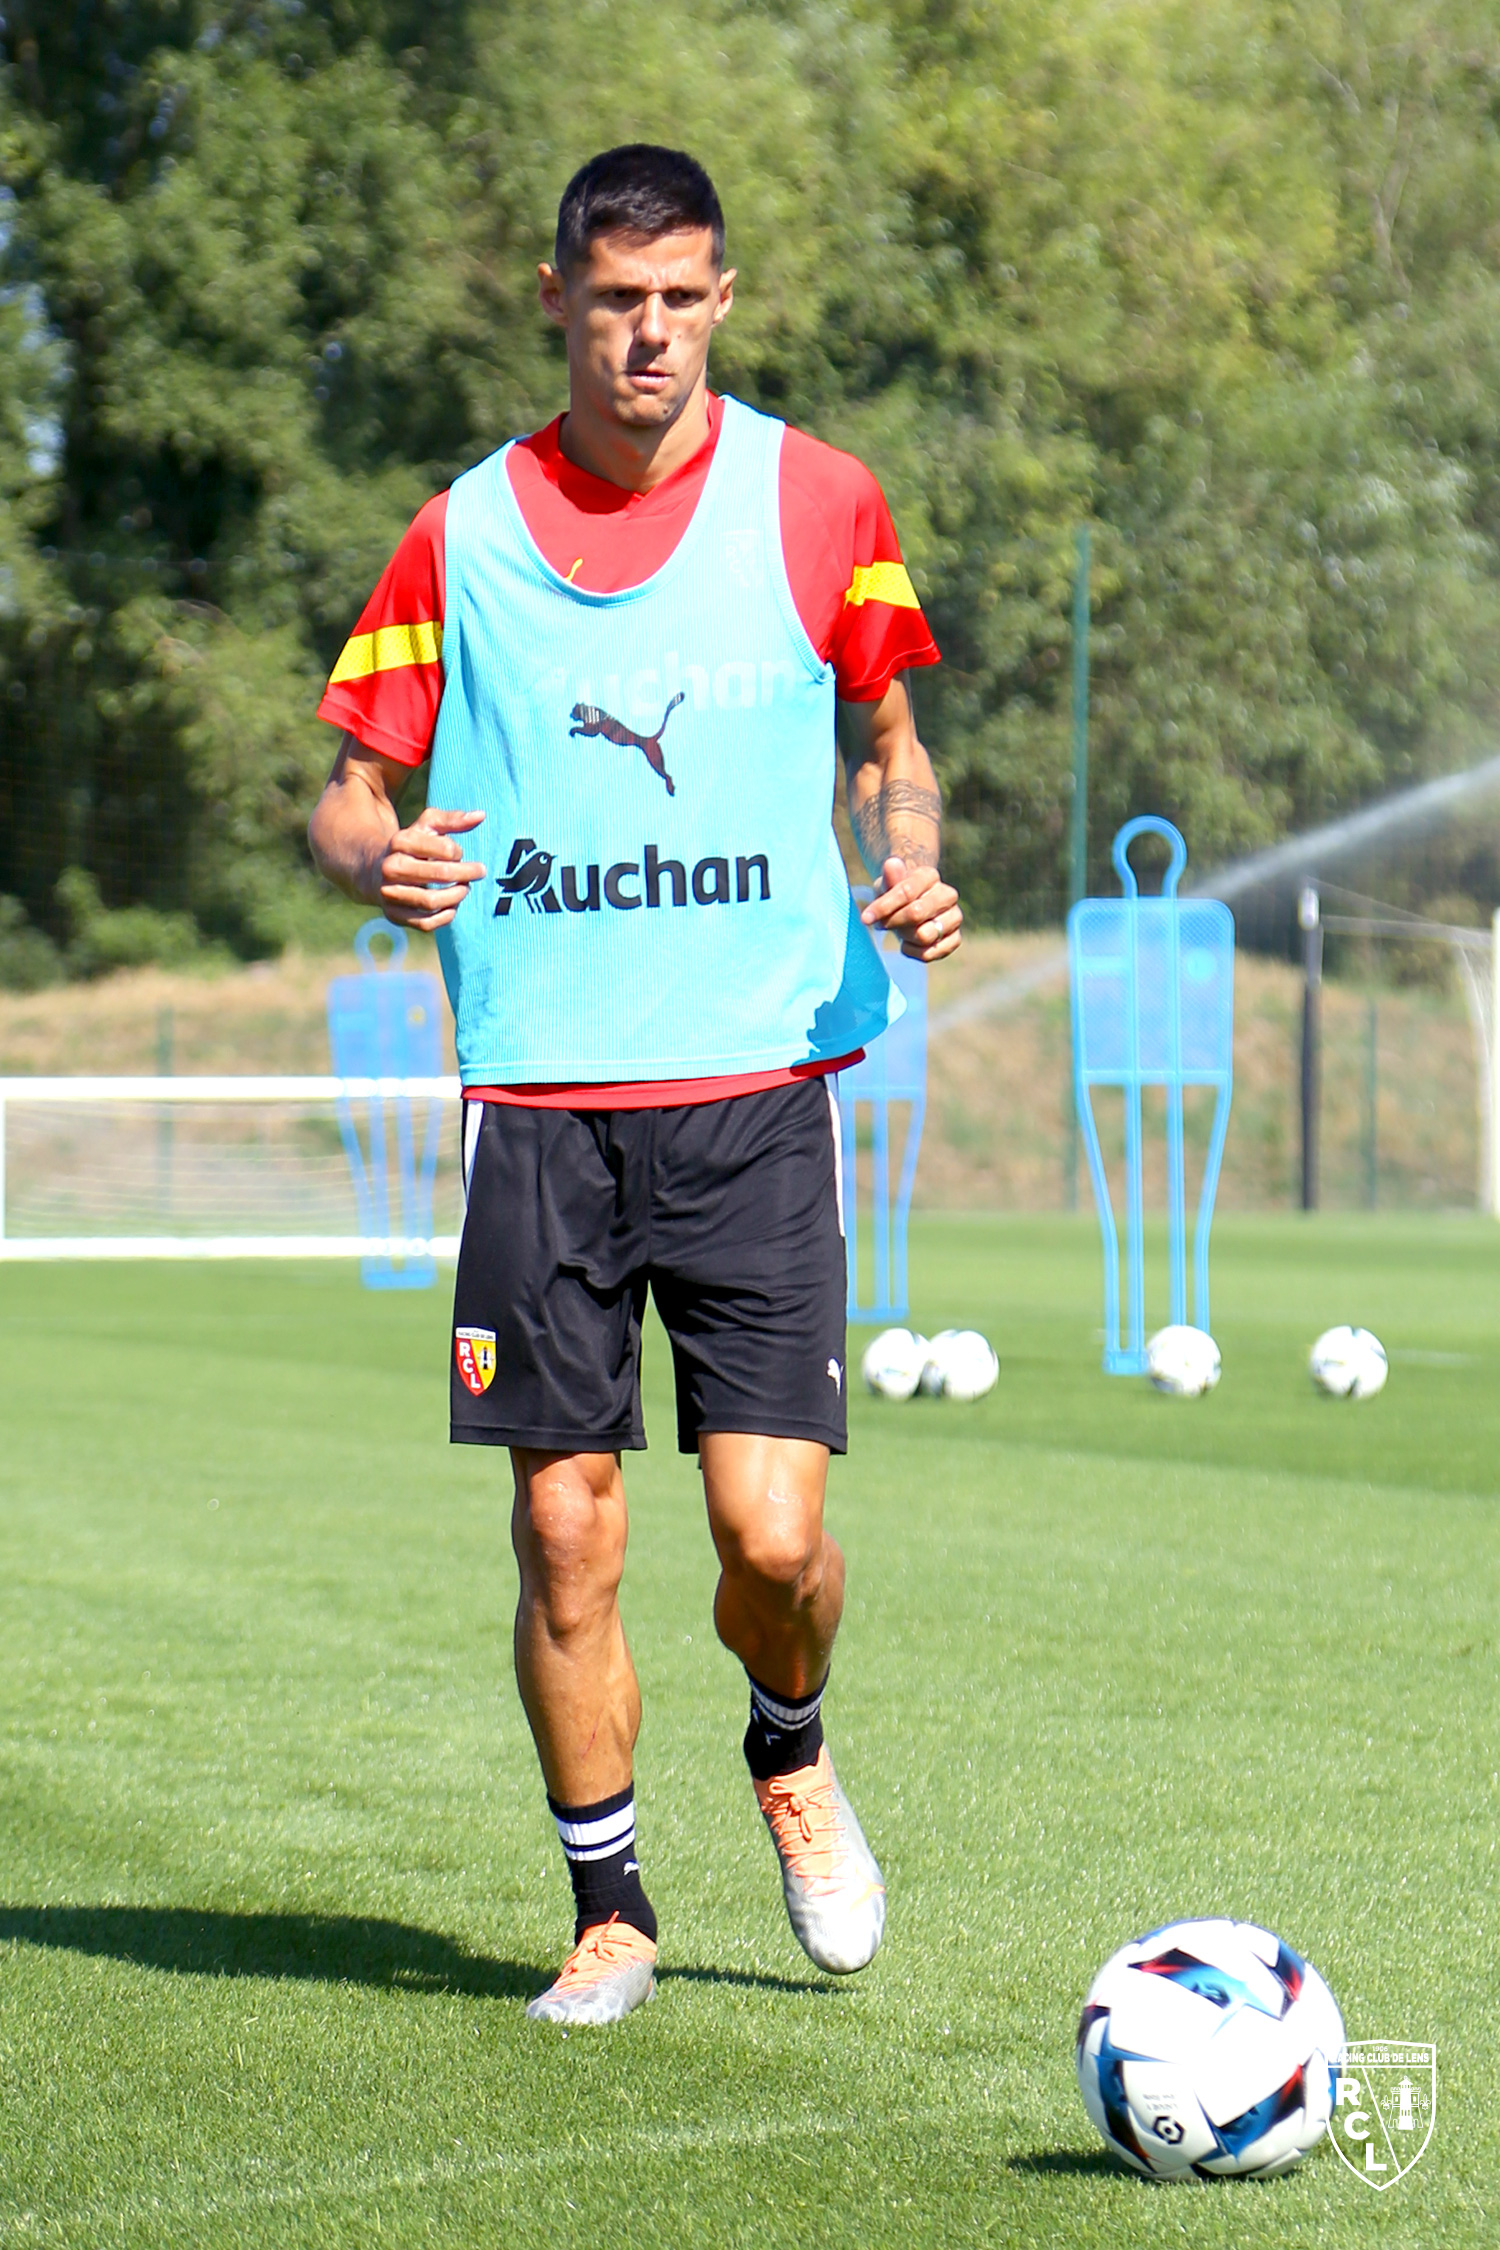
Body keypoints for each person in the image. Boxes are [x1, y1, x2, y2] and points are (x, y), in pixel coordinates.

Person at [308, 144, 962, 2027]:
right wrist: (379, 856)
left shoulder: (823, 497)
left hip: (760, 1090)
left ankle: (791, 1739)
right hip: (541, 1107)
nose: (648, 332)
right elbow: (351, 776)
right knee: (567, 1525)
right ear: (556, 298)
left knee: (774, 1538)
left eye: (680, 297)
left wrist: (904, 851)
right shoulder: (460, 531)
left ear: (723, 301)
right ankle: (609, 1905)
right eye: (615, 300)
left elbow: (888, 734)